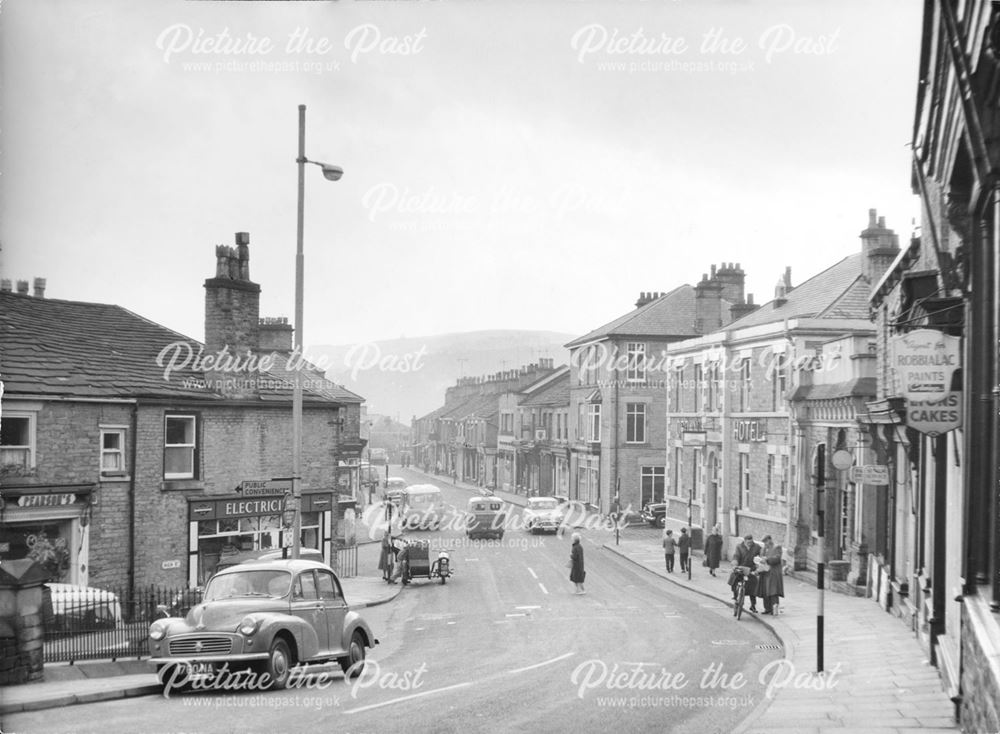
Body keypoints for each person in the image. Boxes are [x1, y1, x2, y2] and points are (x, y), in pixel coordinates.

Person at [731, 533, 762, 613]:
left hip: (751, 569)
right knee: (734, 579)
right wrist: (735, 565)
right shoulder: (739, 547)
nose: (750, 544)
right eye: (748, 543)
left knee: (754, 586)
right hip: (741, 568)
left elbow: (759, 559)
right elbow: (736, 556)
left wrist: (758, 568)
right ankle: (735, 597)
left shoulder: (757, 547)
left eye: (751, 543)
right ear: (744, 541)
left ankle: (753, 605)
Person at [759, 535, 785, 615]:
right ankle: (767, 609)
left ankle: (774, 610)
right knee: (765, 591)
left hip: (773, 572)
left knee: (773, 591)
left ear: (770, 540)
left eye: (766, 541)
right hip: (765, 572)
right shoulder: (763, 549)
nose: (765, 543)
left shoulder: (777, 547)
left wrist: (767, 559)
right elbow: (761, 558)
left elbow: (777, 558)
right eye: (764, 542)